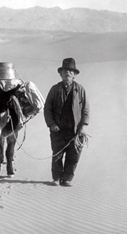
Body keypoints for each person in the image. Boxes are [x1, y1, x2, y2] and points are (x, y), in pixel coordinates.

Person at [44, 58, 90, 187]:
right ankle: (57, 178)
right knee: (57, 154)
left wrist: (83, 126)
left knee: (73, 156)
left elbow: (86, 110)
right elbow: (47, 109)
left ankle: (68, 178)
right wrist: (51, 124)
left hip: (75, 130)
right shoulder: (54, 89)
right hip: (58, 129)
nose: (67, 73)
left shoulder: (80, 89)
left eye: (70, 71)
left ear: (74, 74)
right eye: (65, 71)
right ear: (60, 74)